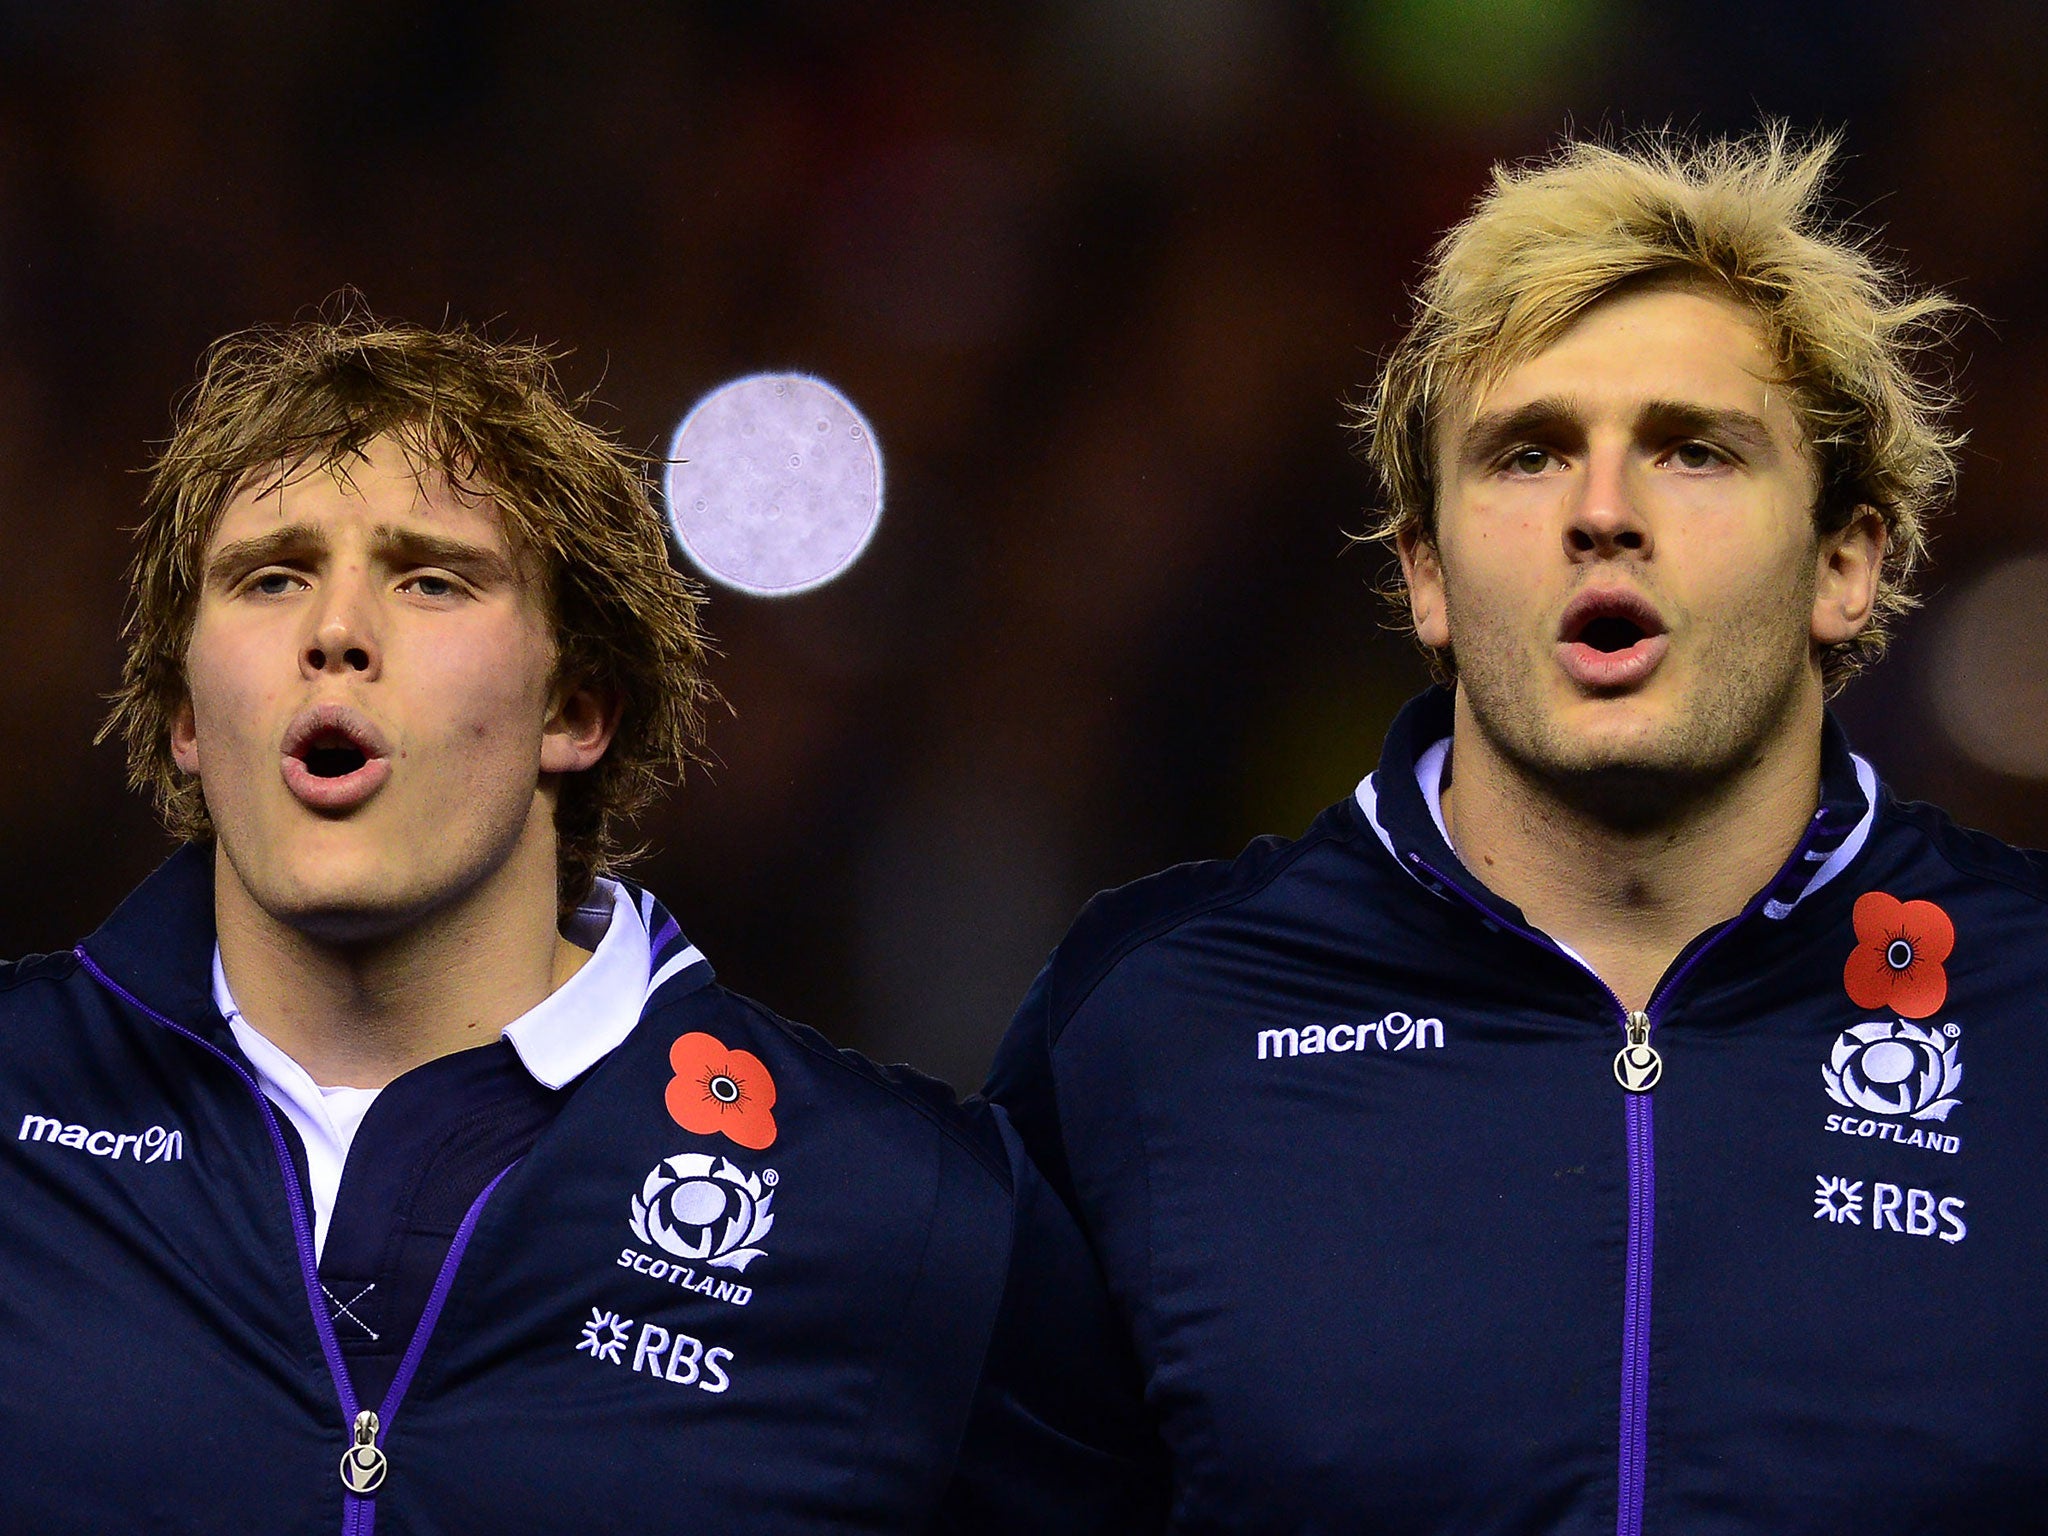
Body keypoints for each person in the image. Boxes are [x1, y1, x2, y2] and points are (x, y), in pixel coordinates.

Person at [989, 127, 2048, 1532]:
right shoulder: (1150, 1023)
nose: (1603, 515)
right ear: (1426, 573)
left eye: (1693, 450)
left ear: (1845, 564)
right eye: (1529, 454)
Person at [0, 311, 1160, 1532]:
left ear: (577, 709)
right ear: (187, 713)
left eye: (430, 578)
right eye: (271, 575)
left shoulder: (909, 1213)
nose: (333, 632)